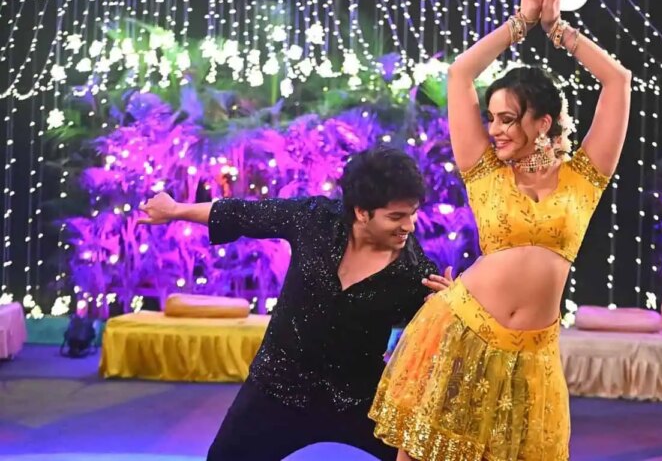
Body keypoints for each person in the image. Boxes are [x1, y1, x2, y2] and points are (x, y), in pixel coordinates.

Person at [368, 0, 632, 461]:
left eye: (508, 119)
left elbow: (618, 81)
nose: (495, 130)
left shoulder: (584, 178)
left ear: (543, 122)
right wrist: (521, 23)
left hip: (533, 357)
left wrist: (557, 29)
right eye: (490, 118)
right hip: (461, 330)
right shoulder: (484, 171)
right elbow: (460, 73)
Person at [137, 147, 452, 460]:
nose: (409, 225)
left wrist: (449, 307)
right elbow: (241, 214)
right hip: (277, 385)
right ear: (361, 211)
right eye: (396, 216)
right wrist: (175, 209)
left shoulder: (417, 272)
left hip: (357, 396)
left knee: (423, 456)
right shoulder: (314, 218)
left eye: (412, 213)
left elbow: (432, 339)